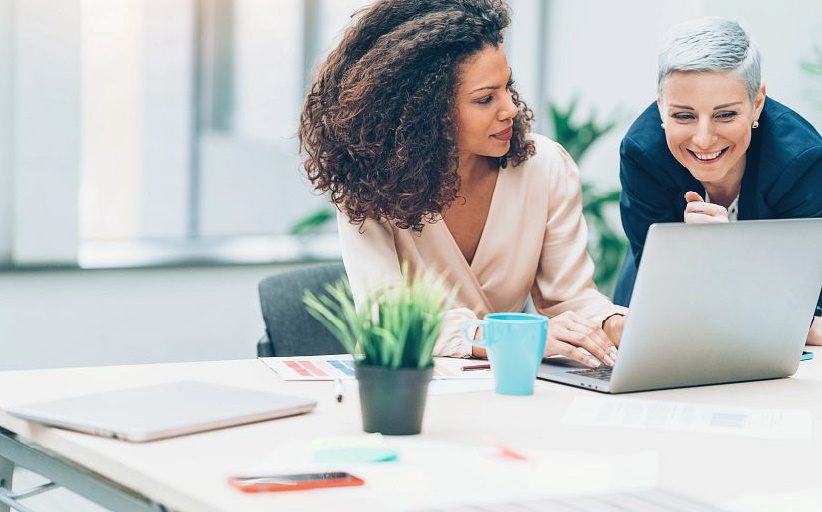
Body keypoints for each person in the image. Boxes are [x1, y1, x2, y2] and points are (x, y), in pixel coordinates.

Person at [299, 0, 626, 368]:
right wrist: (510, 337)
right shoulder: (370, 188)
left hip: (512, 392)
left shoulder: (545, 167)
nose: (511, 109)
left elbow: (570, 299)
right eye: (485, 99)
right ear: (425, 110)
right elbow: (387, 319)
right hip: (415, 396)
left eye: (507, 87)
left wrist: (614, 325)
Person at [614, 17, 822, 345]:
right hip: (656, 324)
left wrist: (725, 258)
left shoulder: (801, 161)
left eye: (725, 115)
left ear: (757, 104)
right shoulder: (643, 154)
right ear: (660, 106)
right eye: (683, 115)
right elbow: (659, 290)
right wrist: (687, 250)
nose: (704, 139)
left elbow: (803, 307)